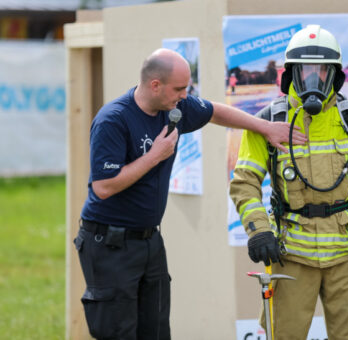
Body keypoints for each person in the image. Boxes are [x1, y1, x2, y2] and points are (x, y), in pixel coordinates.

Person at [73, 48, 306, 340]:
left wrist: (266, 127)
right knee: (118, 332)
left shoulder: (176, 110)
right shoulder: (114, 120)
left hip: (149, 241)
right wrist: (155, 156)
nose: (185, 95)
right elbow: (103, 187)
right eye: (180, 88)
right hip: (109, 243)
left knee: (157, 331)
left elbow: (214, 111)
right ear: (155, 84)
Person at [229, 25, 348, 340]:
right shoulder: (269, 122)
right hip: (291, 255)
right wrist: (258, 230)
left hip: (345, 253)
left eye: (322, 72)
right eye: (306, 72)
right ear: (292, 74)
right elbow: (244, 182)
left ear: (335, 75)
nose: (314, 80)